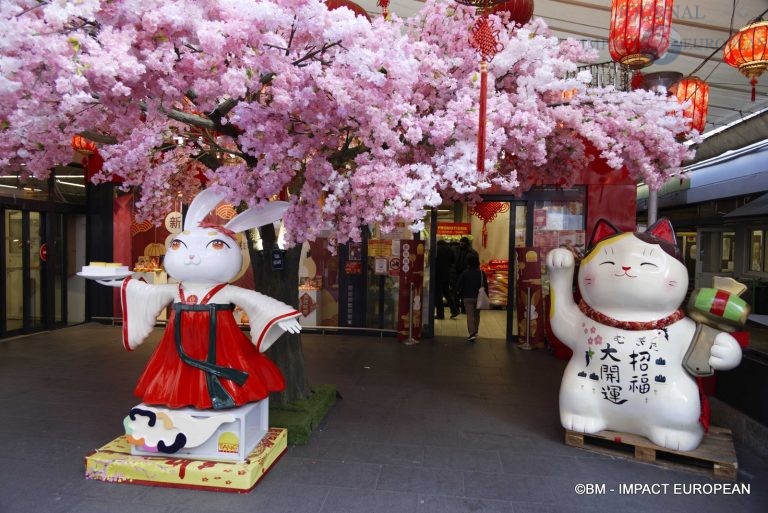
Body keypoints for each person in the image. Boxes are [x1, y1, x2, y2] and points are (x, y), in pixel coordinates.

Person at [456, 253, 488, 343]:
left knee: (470, 315)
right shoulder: (482, 273)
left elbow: (459, 285)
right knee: (477, 315)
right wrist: (487, 297)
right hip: (479, 297)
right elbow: (486, 286)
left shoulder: (465, 273)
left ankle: (472, 333)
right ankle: (476, 331)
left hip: (467, 297)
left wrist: (458, 292)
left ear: (468, 263)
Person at [434, 239, 459, 319]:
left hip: (437, 275)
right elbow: (453, 261)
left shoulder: (436, 249)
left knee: (438, 295)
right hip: (447, 275)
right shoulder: (450, 250)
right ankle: (454, 310)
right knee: (447, 293)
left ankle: (440, 314)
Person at [454, 237, 478, 313]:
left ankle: (464, 309)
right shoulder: (455, 250)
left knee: (464, 292)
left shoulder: (472, 252)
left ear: (466, 243)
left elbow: (476, 263)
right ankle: (456, 309)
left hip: (467, 274)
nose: (461, 244)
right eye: (460, 242)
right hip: (456, 274)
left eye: (463, 243)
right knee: (456, 292)